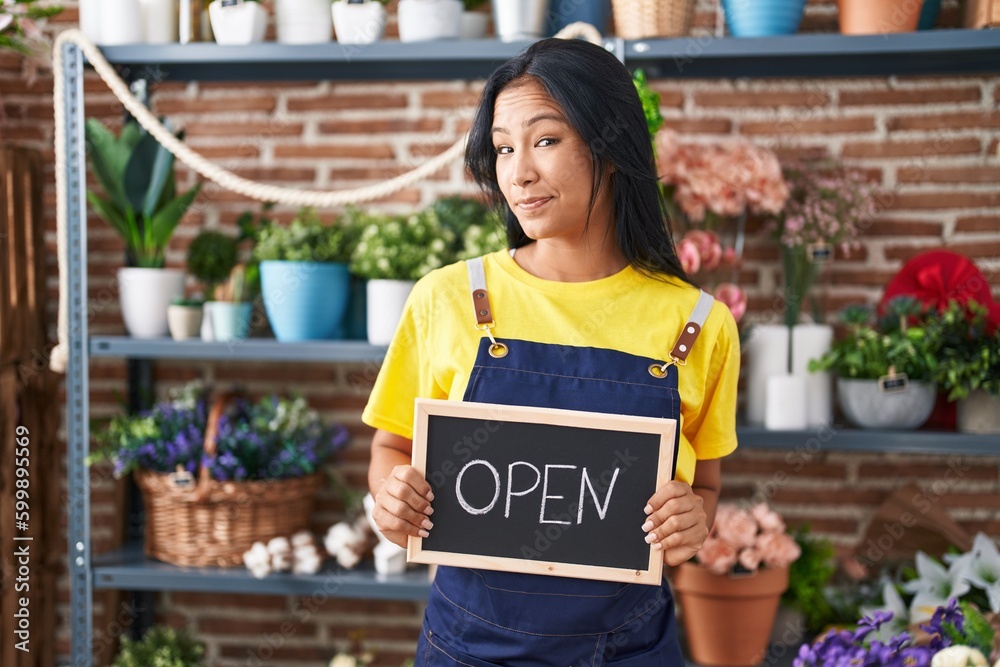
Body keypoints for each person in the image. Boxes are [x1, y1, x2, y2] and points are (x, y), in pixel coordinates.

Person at [364, 37, 740, 666]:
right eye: (503, 148)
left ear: (609, 146)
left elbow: (706, 488)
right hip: (468, 649)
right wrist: (390, 498)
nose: (518, 173)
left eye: (544, 140)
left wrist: (692, 523)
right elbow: (390, 447)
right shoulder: (449, 299)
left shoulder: (698, 324)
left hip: (630, 651)